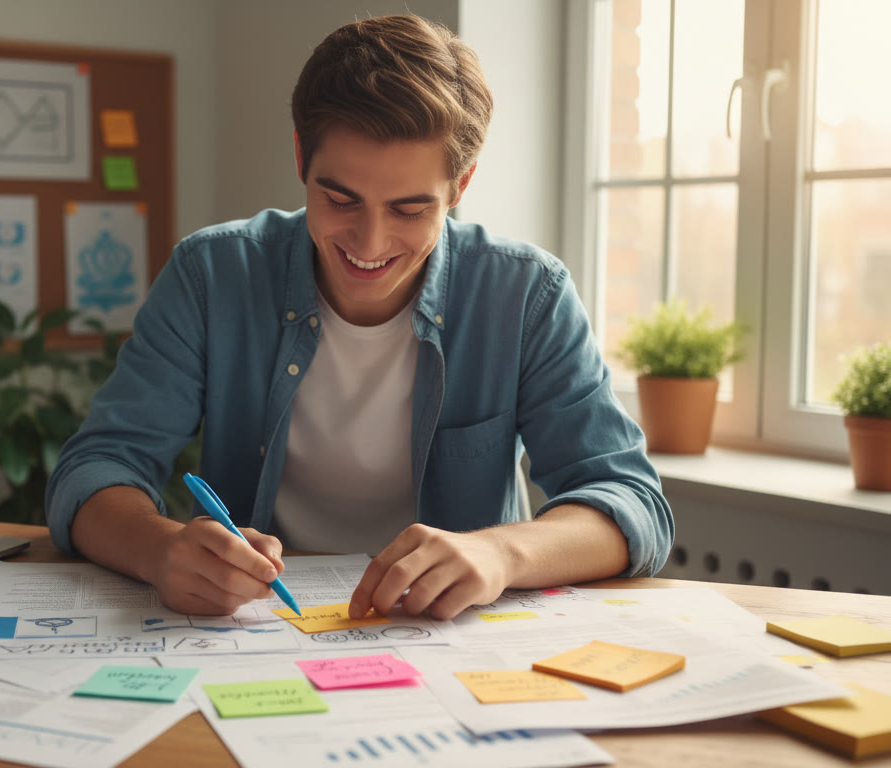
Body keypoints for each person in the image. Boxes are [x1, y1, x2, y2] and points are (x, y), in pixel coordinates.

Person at [46, 14, 672, 621]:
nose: (369, 244)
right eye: (340, 199)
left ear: (460, 186)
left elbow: (632, 502)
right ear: (301, 157)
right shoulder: (212, 275)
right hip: (258, 629)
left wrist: (501, 553)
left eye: (409, 210)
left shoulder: (526, 294)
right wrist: (160, 550)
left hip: (449, 639)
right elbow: (95, 469)